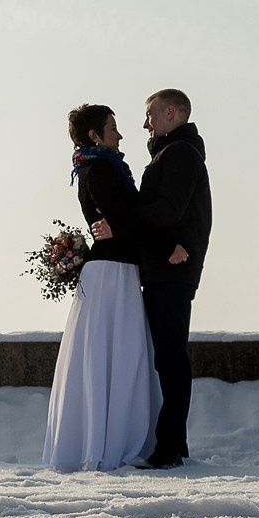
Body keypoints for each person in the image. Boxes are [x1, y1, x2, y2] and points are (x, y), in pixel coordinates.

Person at [41, 104, 162, 472]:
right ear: (95, 135)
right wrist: (164, 244)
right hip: (113, 271)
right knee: (120, 355)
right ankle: (112, 444)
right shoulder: (102, 170)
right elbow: (121, 217)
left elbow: (119, 219)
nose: (120, 135)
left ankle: (100, 439)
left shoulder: (94, 168)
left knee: (106, 357)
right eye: (112, 128)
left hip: (112, 268)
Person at [96, 88, 211, 468]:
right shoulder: (173, 152)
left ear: (171, 112)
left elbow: (167, 210)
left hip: (172, 269)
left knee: (170, 357)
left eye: (149, 115)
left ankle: (169, 450)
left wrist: (119, 225)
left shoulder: (179, 153)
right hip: (167, 267)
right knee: (167, 356)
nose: (145, 124)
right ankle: (174, 446)